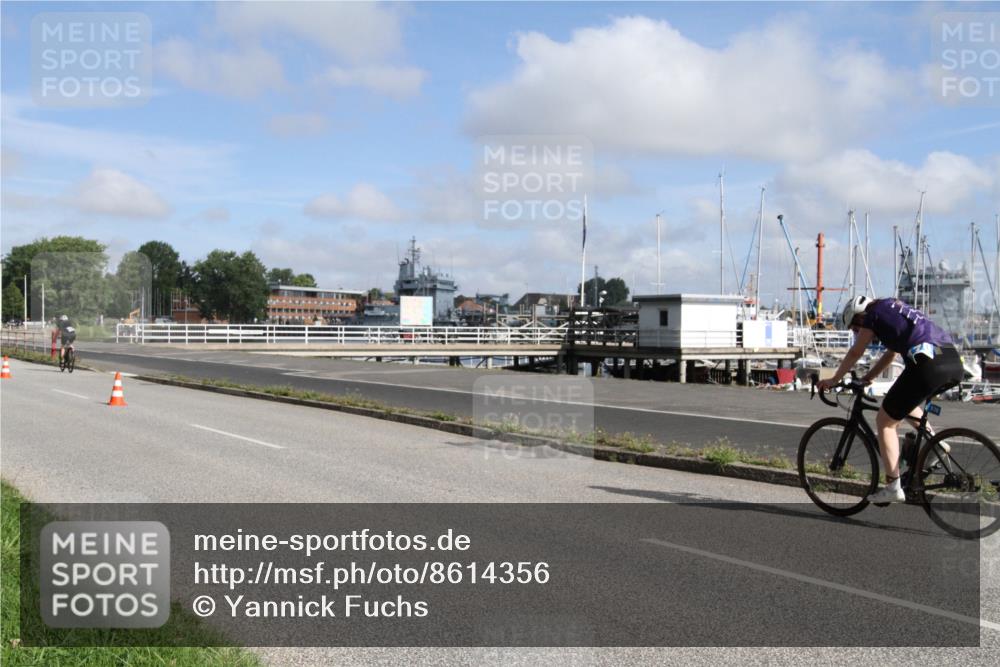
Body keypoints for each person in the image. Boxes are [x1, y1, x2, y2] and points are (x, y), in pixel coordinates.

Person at [817, 296, 964, 504]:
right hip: (951, 360)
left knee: (885, 422)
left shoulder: (872, 314)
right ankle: (934, 443)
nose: (858, 333)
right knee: (901, 403)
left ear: (860, 316)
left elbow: (856, 351)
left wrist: (834, 379)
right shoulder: (893, 309)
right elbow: (890, 355)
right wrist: (868, 378)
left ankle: (893, 486)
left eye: (856, 328)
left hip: (928, 364)